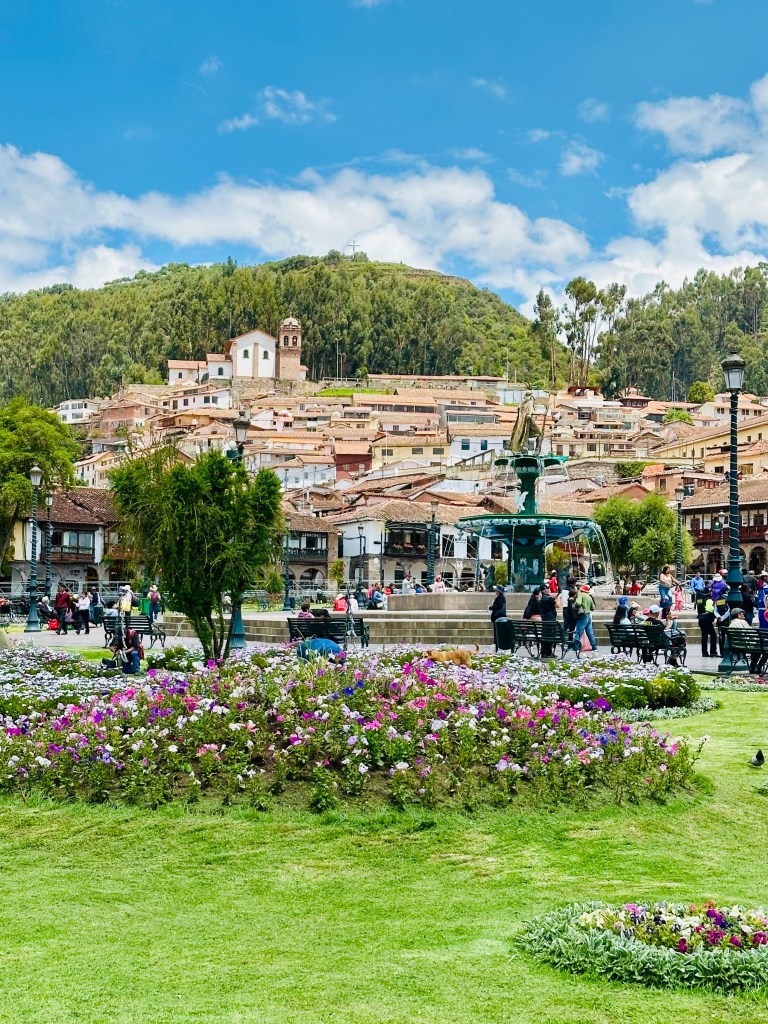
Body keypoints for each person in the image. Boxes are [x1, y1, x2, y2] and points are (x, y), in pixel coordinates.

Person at [568, 584, 596, 657]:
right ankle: (594, 647)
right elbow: (593, 608)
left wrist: (576, 606)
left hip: (582, 615)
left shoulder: (580, 595)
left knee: (578, 632)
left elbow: (578, 603)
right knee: (590, 632)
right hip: (588, 615)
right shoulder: (589, 596)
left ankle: (576, 647)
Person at [696, 587, 718, 658]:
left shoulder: (699, 599)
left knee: (704, 636)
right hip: (707, 619)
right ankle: (713, 652)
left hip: (700, 619)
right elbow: (710, 609)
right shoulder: (709, 600)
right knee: (713, 635)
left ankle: (704, 652)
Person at [539, 589, 558, 657]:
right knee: (550, 636)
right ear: (546, 591)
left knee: (545, 636)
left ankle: (543, 652)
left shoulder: (542, 599)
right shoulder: (550, 599)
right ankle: (549, 652)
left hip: (545, 620)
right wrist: (559, 598)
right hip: (551, 620)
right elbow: (557, 605)